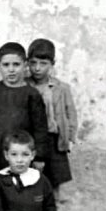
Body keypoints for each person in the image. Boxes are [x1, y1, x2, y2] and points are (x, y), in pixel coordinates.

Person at [26, 38, 78, 199]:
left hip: (54, 139)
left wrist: (69, 137)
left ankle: (53, 204)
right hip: (32, 138)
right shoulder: (25, 85)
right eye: (33, 63)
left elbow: (71, 114)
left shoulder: (62, 88)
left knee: (55, 176)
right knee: (32, 175)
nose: (37, 68)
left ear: (52, 64)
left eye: (43, 63)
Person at [0, 42, 48, 173]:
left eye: (16, 64)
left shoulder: (32, 94)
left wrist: (39, 157)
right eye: (6, 65)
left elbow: (40, 128)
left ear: (25, 66)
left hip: (21, 153)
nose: (11, 69)